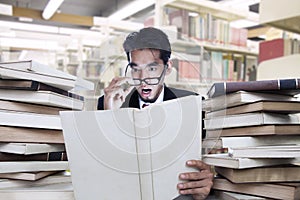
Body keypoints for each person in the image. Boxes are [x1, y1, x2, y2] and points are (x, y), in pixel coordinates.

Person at [97, 27, 213, 200]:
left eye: (152, 69)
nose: (143, 79)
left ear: (167, 69)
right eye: (135, 69)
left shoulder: (194, 104)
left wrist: (207, 180)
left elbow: (208, 163)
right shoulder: (108, 103)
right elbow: (100, 169)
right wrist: (111, 118)